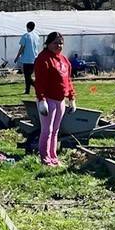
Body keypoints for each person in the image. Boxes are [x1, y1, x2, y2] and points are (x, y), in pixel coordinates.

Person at [33, 31, 76, 167]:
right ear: (48, 44)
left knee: (56, 130)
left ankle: (53, 156)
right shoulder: (43, 59)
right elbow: (39, 82)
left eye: (61, 43)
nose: (58, 45)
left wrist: (71, 98)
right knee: (47, 130)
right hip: (48, 99)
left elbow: (68, 80)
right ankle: (45, 157)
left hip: (60, 100)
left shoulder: (64, 60)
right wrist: (41, 100)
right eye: (55, 43)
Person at [14, 21, 39, 95]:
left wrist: (17, 57)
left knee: (27, 76)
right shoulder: (36, 36)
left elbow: (22, 48)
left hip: (27, 59)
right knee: (28, 76)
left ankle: (36, 87)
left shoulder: (25, 36)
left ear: (27, 27)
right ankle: (27, 90)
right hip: (35, 58)